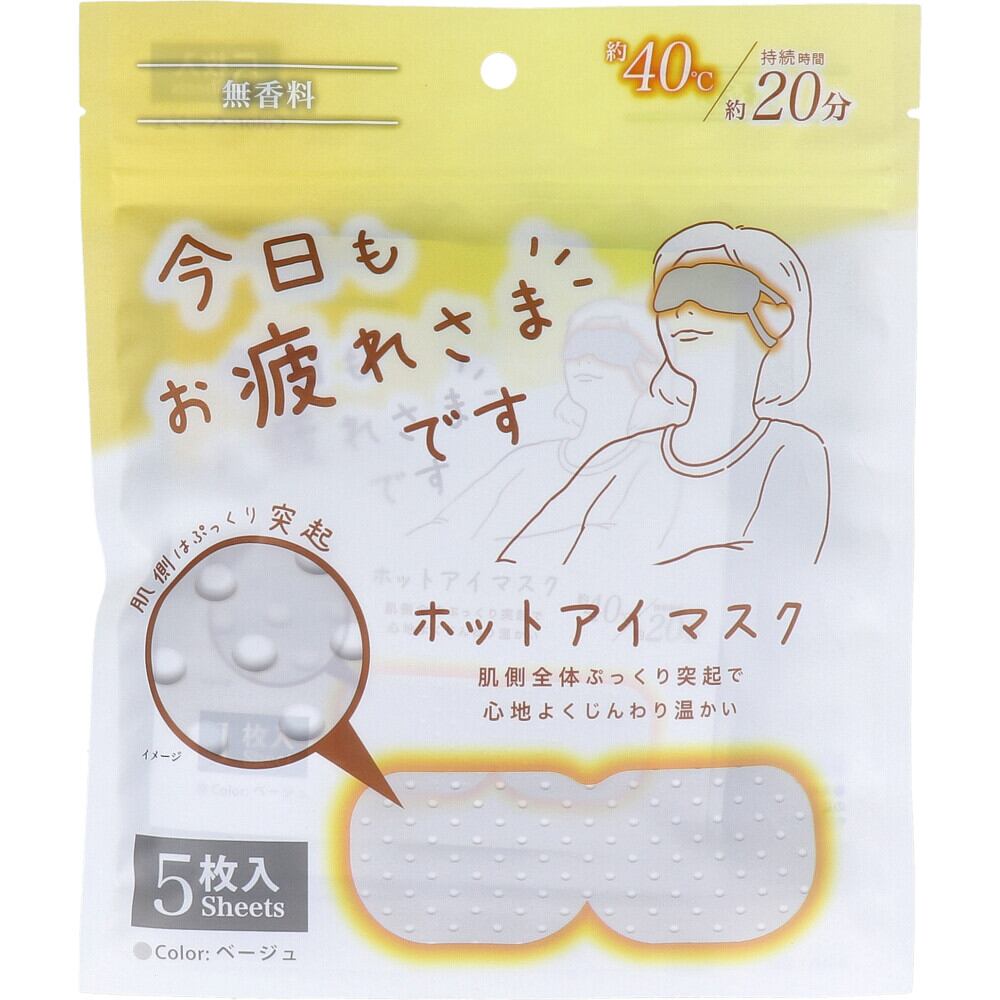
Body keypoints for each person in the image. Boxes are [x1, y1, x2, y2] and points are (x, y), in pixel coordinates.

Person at [497, 222, 831, 569]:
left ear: (779, 315)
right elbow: (522, 554)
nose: (685, 310)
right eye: (671, 293)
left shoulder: (789, 449)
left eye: (715, 290)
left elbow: (781, 569)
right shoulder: (628, 455)